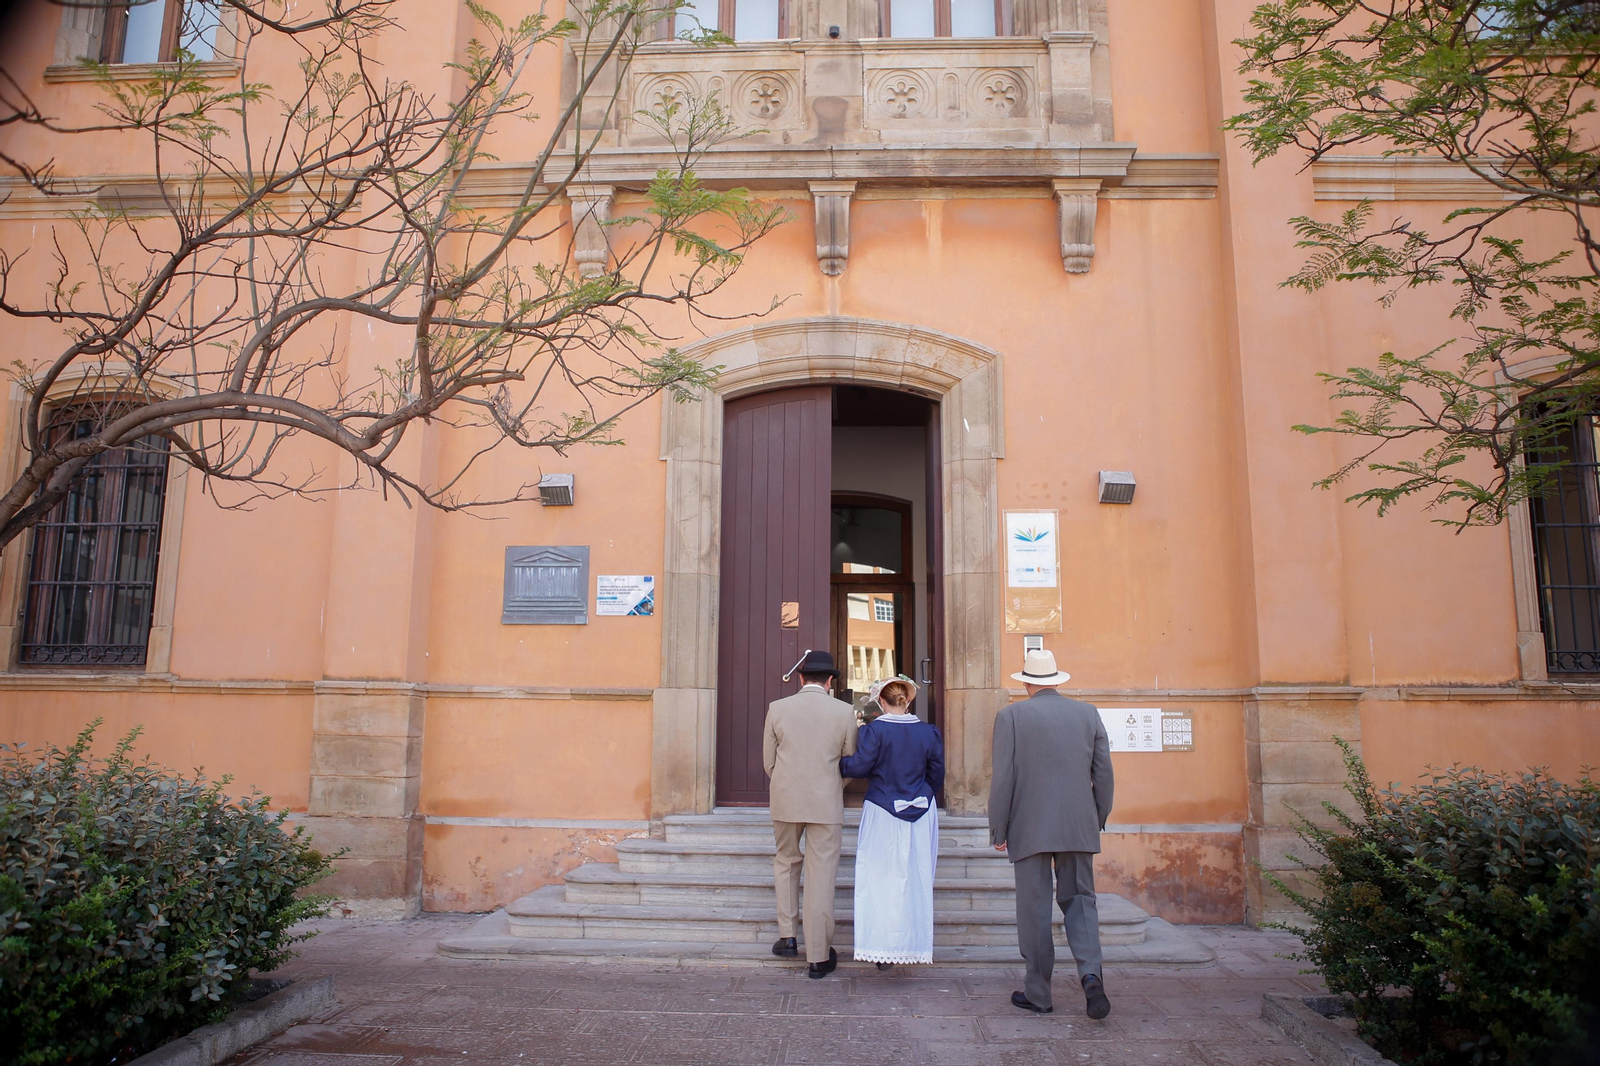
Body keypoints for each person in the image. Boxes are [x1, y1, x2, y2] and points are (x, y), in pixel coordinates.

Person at [988, 649, 1114, 1019]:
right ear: (1057, 681)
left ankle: (1039, 994)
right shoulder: (1087, 714)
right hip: (1078, 824)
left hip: (1029, 826)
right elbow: (1103, 774)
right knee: (1081, 900)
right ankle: (1091, 975)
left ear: (1026, 682)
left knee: (1034, 909)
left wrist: (999, 827)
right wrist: (1097, 817)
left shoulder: (1011, 716)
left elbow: (1003, 780)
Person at [762, 649, 857, 978]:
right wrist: (833, 784)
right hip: (826, 802)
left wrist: (788, 784)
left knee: (786, 861)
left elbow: (768, 762)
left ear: (801, 678)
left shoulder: (777, 709)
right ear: (830, 681)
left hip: (786, 799)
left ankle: (787, 937)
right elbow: (849, 761)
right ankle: (817, 956)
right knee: (821, 875)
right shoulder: (845, 712)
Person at [839, 676, 944, 969]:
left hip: (883, 808)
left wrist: (838, 763)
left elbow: (860, 766)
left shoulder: (875, 730)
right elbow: (937, 774)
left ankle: (881, 946)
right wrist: (921, 794)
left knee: (879, 878)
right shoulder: (929, 732)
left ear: (882, 702)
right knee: (917, 876)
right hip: (921, 810)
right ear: (907, 700)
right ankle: (913, 944)